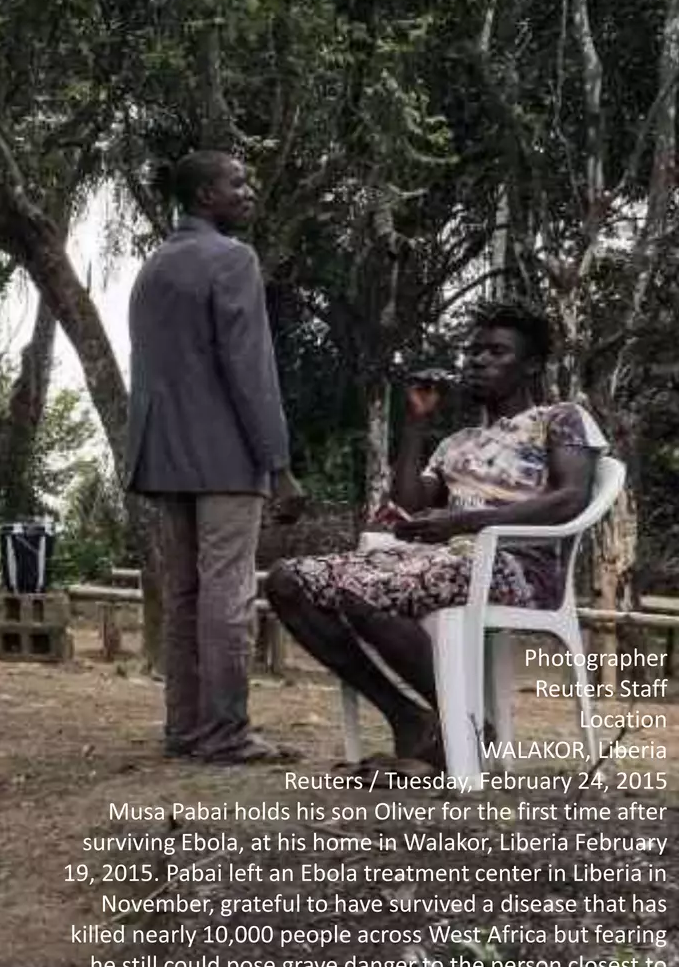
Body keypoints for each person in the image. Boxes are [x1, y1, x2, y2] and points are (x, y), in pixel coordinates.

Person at [266, 303, 605, 772]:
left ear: (530, 366)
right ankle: (411, 719)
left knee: (364, 591)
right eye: (475, 352)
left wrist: (462, 524)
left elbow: (569, 499)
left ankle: (462, 729)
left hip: (517, 567)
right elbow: (405, 505)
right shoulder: (458, 442)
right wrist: (417, 422)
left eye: (496, 353)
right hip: (436, 559)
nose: (479, 361)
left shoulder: (561, 418)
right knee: (287, 580)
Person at [126, 149, 306, 764]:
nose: (249, 190)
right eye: (238, 182)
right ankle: (227, 733)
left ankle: (185, 728)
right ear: (206, 195)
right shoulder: (232, 260)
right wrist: (277, 463)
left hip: (162, 457)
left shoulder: (154, 266)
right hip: (226, 458)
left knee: (182, 597)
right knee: (227, 595)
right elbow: (250, 370)